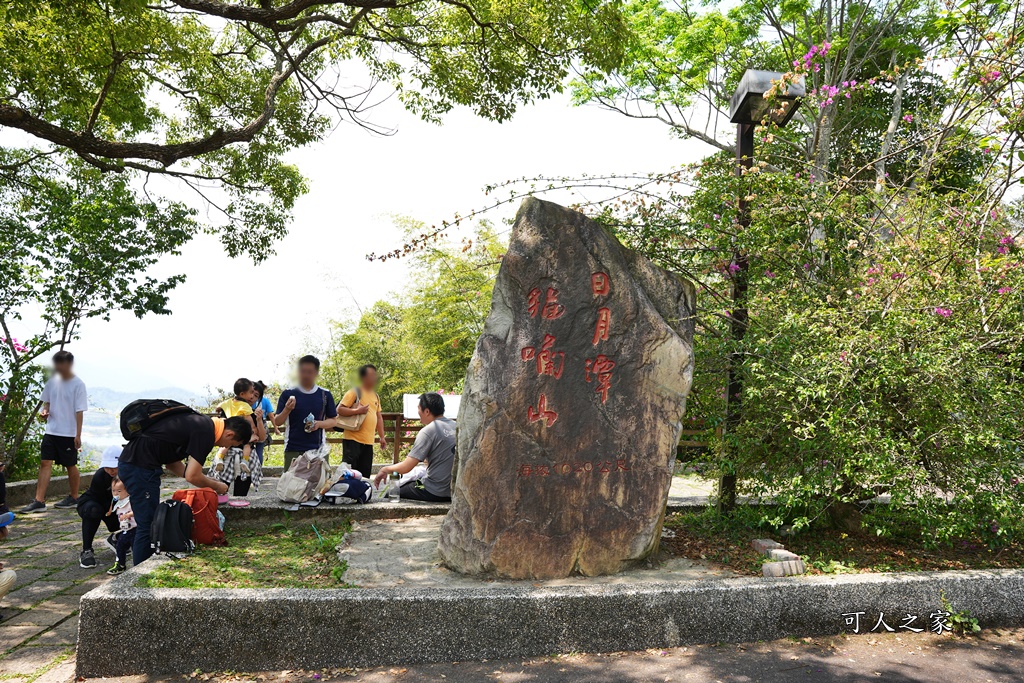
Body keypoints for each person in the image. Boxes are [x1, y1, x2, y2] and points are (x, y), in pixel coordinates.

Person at [118, 409, 251, 565]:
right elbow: (192, 476)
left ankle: (144, 566)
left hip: (135, 463)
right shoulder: (206, 433)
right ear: (229, 435)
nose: (225, 447)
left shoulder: (200, 423)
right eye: (231, 445)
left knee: (148, 521)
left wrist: (205, 479)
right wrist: (216, 486)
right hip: (139, 467)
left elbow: (172, 463)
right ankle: (140, 574)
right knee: (147, 525)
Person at [20, 350, 88, 512]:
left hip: (68, 433)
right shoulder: (52, 382)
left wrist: (78, 434)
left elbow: (80, 411)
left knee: (70, 464)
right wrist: (45, 411)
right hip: (51, 430)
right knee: (45, 462)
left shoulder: (78, 384)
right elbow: (47, 402)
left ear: (69, 364)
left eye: (61, 364)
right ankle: (39, 501)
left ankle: (74, 497)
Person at [374, 393, 455, 502]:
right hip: (453, 491)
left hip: (433, 491)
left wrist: (385, 469)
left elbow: (407, 467)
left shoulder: (429, 431)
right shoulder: (456, 426)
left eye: (419, 409)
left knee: (393, 492)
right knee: (416, 480)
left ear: (427, 411)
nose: (418, 412)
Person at [273, 356, 338, 471]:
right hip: (292, 449)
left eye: (310, 372)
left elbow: (333, 421)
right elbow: (277, 421)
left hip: (318, 449)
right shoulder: (288, 394)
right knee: (292, 487)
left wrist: (319, 424)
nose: (306, 375)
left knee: (319, 486)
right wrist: (287, 409)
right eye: (302, 371)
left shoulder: (325, 395)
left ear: (316, 373)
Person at [338, 364, 387, 479]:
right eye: (372, 375)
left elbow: (378, 417)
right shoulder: (354, 392)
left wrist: (382, 437)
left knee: (365, 474)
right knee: (349, 473)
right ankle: (346, 495)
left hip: (368, 441)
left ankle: (361, 496)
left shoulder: (375, 395)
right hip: (352, 439)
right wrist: (357, 410)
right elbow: (339, 409)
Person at [77, 445, 122, 569]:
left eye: (114, 467)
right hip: (93, 503)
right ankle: (86, 551)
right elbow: (102, 501)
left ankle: (117, 539)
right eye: (108, 467)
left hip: (113, 504)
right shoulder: (100, 476)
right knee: (94, 511)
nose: (111, 471)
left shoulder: (130, 474)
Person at [212, 378, 258, 474]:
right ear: (242, 394)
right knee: (247, 444)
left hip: (228, 428)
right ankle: (245, 461)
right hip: (240, 430)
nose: (252, 395)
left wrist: (219, 409)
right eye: (251, 392)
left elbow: (218, 407)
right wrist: (253, 432)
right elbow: (250, 422)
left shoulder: (228, 402)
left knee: (225, 445)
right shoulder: (245, 406)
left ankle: (219, 458)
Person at [106, 478, 136, 575]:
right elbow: (112, 509)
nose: (116, 493)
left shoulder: (130, 500)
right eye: (113, 491)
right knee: (120, 546)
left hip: (135, 528)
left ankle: (138, 563)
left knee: (135, 547)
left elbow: (138, 511)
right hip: (125, 529)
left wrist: (128, 515)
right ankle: (120, 564)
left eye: (119, 491)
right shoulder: (118, 502)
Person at [251, 380, 277, 467]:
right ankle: (258, 471)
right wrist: (276, 428)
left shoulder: (248, 400)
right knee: (259, 449)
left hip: (250, 425)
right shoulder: (265, 401)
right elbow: (271, 415)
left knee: (247, 448)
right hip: (262, 424)